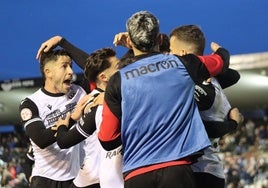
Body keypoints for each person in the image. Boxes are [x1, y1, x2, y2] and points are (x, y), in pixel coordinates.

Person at [98, 10, 230, 188]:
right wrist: (220, 50)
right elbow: (221, 62)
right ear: (160, 39)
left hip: (137, 175)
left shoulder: (117, 80)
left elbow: (107, 139)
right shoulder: (182, 64)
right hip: (177, 170)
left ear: (129, 41)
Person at [36, 38, 124, 188]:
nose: (124, 71)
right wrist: (67, 123)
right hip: (95, 178)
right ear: (103, 77)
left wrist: (62, 41)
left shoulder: (122, 92)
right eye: (119, 67)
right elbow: (64, 141)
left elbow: (93, 68)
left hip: (116, 174)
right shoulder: (92, 101)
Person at [169, 24, 243, 188]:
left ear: (183, 55)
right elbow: (233, 74)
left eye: (170, 50)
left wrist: (233, 124)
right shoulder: (214, 80)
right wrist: (221, 55)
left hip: (197, 170)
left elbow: (200, 128)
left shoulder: (198, 88)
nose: (167, 55)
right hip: (212, 169)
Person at [19, 49, 89, 188]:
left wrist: (62, 41)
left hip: (78, 179)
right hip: (46, 180)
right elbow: (41, 139)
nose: (70, 71)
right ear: (48, 72)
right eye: (64, 66)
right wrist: (71, 119)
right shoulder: (31, 103)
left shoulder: (80, 90)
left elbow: (97, 69)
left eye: (71, 66)